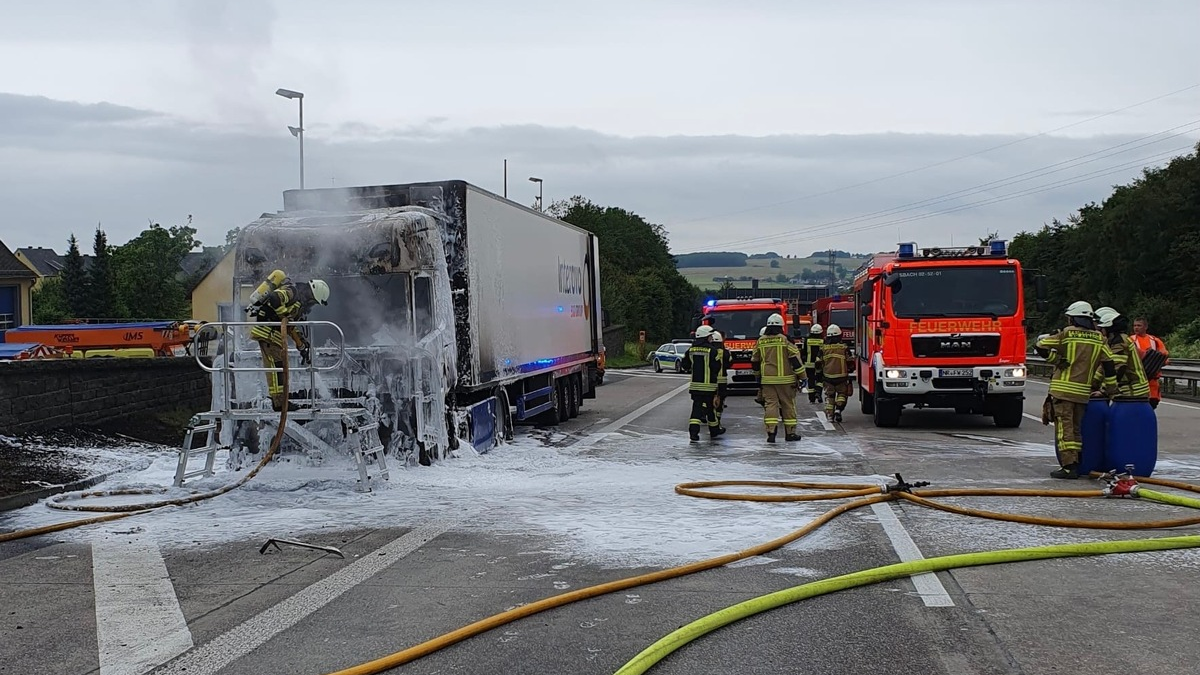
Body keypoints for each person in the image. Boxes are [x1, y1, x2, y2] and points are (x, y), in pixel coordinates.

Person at [1034, 301, 1118, 479]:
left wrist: (1057, 360)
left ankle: (1069, 467)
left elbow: (1040, 345)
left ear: (1073, 318)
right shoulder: (1100, 339)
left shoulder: (1067, 334)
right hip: (1082, 393)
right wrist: (1110, 388)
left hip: (1062, 391)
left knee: (1065, 430)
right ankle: (1077, 462)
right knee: (1076, 428)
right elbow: (1109, 365)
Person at [246, 269, 331, 412]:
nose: (312, 305)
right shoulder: (293, 292)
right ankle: (279, 403)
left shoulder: (298, 305)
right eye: (314, 302)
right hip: (267, 332)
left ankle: (280, 401)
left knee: (281, 367)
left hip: (274, 337)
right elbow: (274, 298)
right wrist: (284, 316)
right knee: (276, 368)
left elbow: (291, 327)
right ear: (311, 294)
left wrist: (302, 345)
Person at [751, 313, 803, 443]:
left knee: (770, 405)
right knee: (788, 405)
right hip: (786, 380)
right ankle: (790, 433)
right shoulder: (786, 340)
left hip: (767, 380)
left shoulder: (761, 341)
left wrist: (758, 377)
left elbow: (755, 361)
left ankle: (771, 433)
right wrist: (803, 376)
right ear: (781, 327)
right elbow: (795, 360)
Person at [1094, 307, 1150, 401]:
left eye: (1102, 328)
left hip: (1133, 392)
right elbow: (1104, 366)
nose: (1101, 331)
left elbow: (1117, 368)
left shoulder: (1120, 342)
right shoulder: (1113, 341)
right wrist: (1093, 384)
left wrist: (1103, 390)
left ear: (1109, 328)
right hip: (1128, 391)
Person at [680, 325, 724, 442]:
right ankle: (714, 431)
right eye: (710, 336)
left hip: (695, 387)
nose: (711, 338)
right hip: (709, 387)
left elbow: (685, 365)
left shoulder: (691, 350)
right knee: (710, 410)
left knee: (696, 409)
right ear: (705, 337)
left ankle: (693, 433)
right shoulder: (712, 351)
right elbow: (716, 367)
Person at [1130, 316, 1169, 409]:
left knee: (1151, 407)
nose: (1136, 328)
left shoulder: (1155, 341)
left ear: (1145, 327)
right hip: (1137, 382)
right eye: (1135, 325)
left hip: (1152, 383)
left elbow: (1165, 356)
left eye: (1139, 325)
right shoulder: (1130, 340)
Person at [820, 324, 852, 423]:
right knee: (842, 394)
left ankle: (830, 416)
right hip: (841, 377)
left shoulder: (823, 349)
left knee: (830, 396)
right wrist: (850, 370)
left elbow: (818, 363)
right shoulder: (844, 348)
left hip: (828, 377)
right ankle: (838, 409)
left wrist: (819, 374)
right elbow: (850, 362)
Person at [711, 331, 731, 433]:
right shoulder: (725, 352)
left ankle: (712, 421)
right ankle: (717, 422)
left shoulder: (710, 351)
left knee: (710, 402)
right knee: (720, 403)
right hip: (722, 381)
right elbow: (729, 364)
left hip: (710, 381)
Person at [804, 324, 824, 404]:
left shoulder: (807, 340)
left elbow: (803, 351)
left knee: (811, 380)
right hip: (819, 364)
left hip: (809, 364)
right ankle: (818, 393)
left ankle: (811, 398)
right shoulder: (823, 341)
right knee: (820, 379)